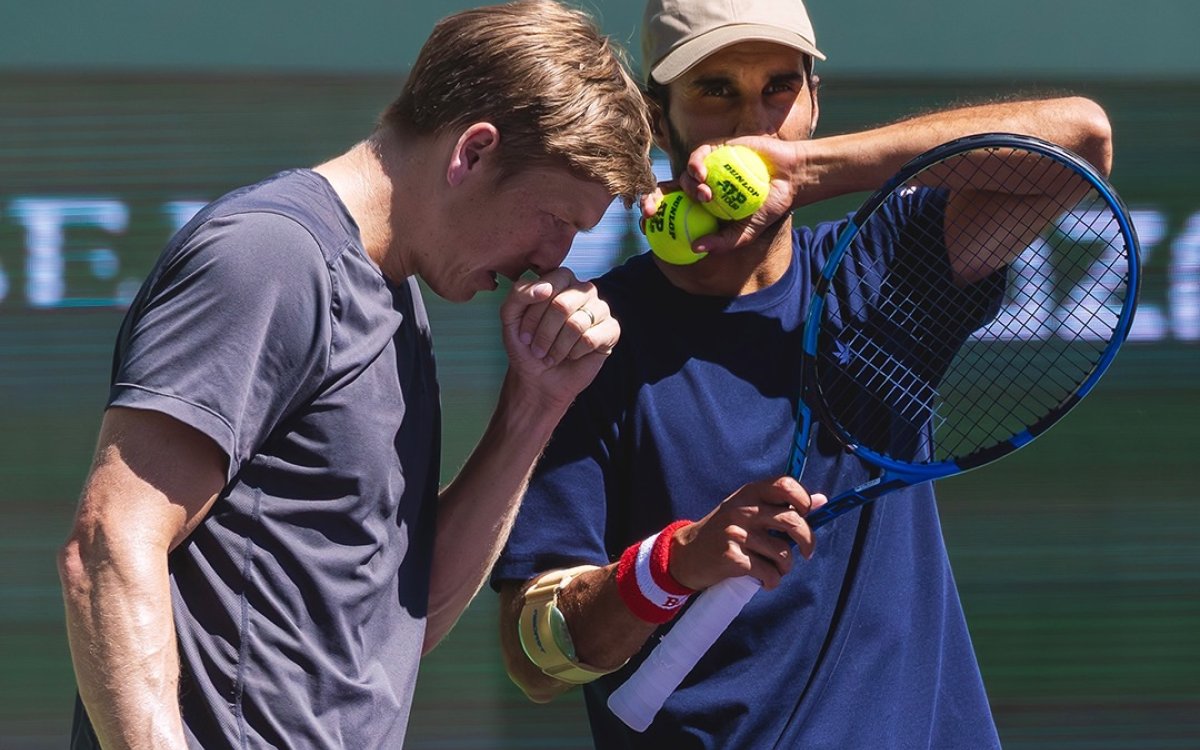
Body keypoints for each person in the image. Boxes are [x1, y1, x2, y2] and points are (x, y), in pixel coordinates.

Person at [492, 0, 1114, 747]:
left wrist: (809, 171)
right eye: (716, 90)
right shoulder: (593, 340)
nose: (752, 123)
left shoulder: (886, 263)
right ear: (659, 120)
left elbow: (1081, 143)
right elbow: (534, 656)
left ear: (815, 100)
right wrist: (673, 565)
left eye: (779, 88)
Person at [56, 2, 656, 747]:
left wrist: (535, 404)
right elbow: (110, 543)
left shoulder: (398, 299)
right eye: (555, 218)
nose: (553, 257)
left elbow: (406, 620)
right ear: (472, 152)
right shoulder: (270, 257)